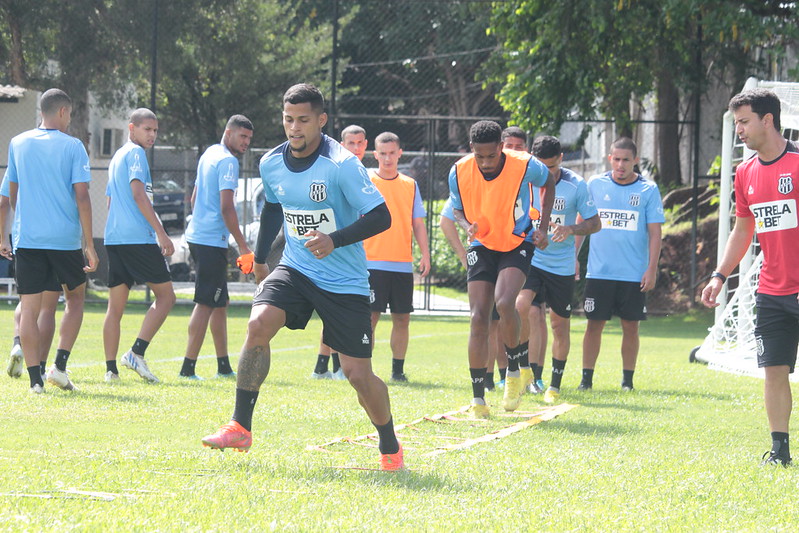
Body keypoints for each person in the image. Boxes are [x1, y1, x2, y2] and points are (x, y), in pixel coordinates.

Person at [202, 84, 403, 471]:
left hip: (344, 281)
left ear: (322, 121)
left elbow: (381, 216)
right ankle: (240, 425)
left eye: (303, 120)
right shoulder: (271, 162)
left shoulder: (342, 164)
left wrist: (334, 239)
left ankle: (390, 445)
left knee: (357, 374)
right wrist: (260, 259)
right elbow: (274, 209)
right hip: (296, 267)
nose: (294, 127)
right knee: (258, 323)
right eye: (288, 119)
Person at [702, 89, 799, 466]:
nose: (738, 129)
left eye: (743, 121)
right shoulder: (745, 172)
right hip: (772, 292)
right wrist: (718, 275)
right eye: (737, 122)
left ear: (767, 120)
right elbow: (743, 230)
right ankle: (780, 450)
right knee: (773, 369)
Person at [448, 120, 555, 417]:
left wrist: (542, 227)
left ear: (501, 148)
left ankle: (513, 373)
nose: (484, 162)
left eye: (491, 156)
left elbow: (549, 183)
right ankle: (478, 399)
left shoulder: (524, 164)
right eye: (479, 156)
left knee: (506, 302)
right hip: (482, 245)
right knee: (478, 317)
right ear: (472, 150)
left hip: (516, 241)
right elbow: (456, 207)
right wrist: (466, 225)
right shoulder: (458, 171)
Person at [0, 88, 98, 393]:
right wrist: (90, 244)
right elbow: (82, 196)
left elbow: (11, 194)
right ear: (64, 112)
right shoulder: (73, 146)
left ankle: (35, 382)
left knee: (27, 309)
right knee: (74, 300)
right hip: (64, 241)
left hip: (28, 238)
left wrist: (23, 221)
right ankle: (60, 366)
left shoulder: (18, 143)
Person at [515, 136, 600, 404]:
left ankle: (554, 385)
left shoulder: (577, 185)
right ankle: (525, 370)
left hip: (560, 265)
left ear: (561, 159)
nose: (546, 175)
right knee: (521, 306)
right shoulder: (523, 180)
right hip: (531, 258)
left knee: (559, 325)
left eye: (551, 168)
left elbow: (595, 223)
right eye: (541, 167)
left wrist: (570, 229)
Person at [579, 137, 664, 392]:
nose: (621, 164)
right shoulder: (595, 184)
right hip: (599, 272)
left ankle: (627, 381)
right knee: (594, 325)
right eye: (616, 159)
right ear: (610, 159)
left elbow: (655, 233)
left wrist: (651, 268)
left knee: (631, 326)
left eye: (626, 160)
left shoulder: (648, 189)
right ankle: (586, 380)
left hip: (633, 273)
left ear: (635, 161)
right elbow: (582, 224)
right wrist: (572, 258)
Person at [102, 108, 176, 383]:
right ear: (131, 128)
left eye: (155, 130)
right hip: (136, 238)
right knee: (167, 297)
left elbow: (110, 201)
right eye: (147, 129)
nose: (153, 135)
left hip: (115, 239)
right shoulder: (135, 154)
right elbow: (137, 194)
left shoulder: (117, 156)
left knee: (115, 308)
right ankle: (136, 352)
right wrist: (161, 233)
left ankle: (111, 370)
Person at [179, 115, 253, 380]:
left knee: (220, 303)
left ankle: (223, 366)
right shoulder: (228, 162)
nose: (245, 143)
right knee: (205, 303)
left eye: (249, 139)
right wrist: (244, 247)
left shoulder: (209, 153)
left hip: (198, 236)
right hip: (210, 241)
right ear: (228, 132)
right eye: (242, 137)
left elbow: (195, 196)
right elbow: (226, 207)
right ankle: (187, 368)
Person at [363, 131, 431, 382]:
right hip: (370, 262)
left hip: (402, 265)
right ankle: (364, 370)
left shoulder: (410, 184)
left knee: (402, 319)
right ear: (375, 154)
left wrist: (425, 254)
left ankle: (397, 371)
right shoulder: (365, 180)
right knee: (369, 319)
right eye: (383, 153)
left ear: (400, 153)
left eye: (392, 153)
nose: (388, 158)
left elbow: (418, 224)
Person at [311, 124, 368, 380]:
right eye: (350, 143)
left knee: (334, 312)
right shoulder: (334, 170)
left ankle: (326, 366)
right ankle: (332, 366)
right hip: (333, 247)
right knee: (335, 311)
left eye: (359, 143)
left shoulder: (362, 173)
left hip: (349, 249)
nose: (355, 148)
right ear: (341, 145)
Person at [502, 126, 548, 393]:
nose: (513, 152)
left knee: (529, 310)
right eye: (509, 146)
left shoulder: (534, 177)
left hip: (531, 252)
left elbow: (542, 211)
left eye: (519, 147)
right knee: (508, 310)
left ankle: (528, 372)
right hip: (501, 251)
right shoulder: (487, 173)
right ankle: (508, 372)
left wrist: (542, 228)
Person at [439, 197, 502, 392]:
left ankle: (512, 373)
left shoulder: (516, 174)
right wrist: (463, 256)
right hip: (484, 257)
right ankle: (489, 379)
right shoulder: (466, 182)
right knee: (487, 321)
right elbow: (445, 221)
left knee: (506, 317)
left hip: (512, 255)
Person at [2, 185, 59, 383]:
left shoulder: (18, 157)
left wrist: (3, 239)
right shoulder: (54, 157)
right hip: (55, 239)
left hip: (24, 239)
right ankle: (40, 367)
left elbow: (4, 202)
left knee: (27, 303)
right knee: (47, 308)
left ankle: (19, 343)